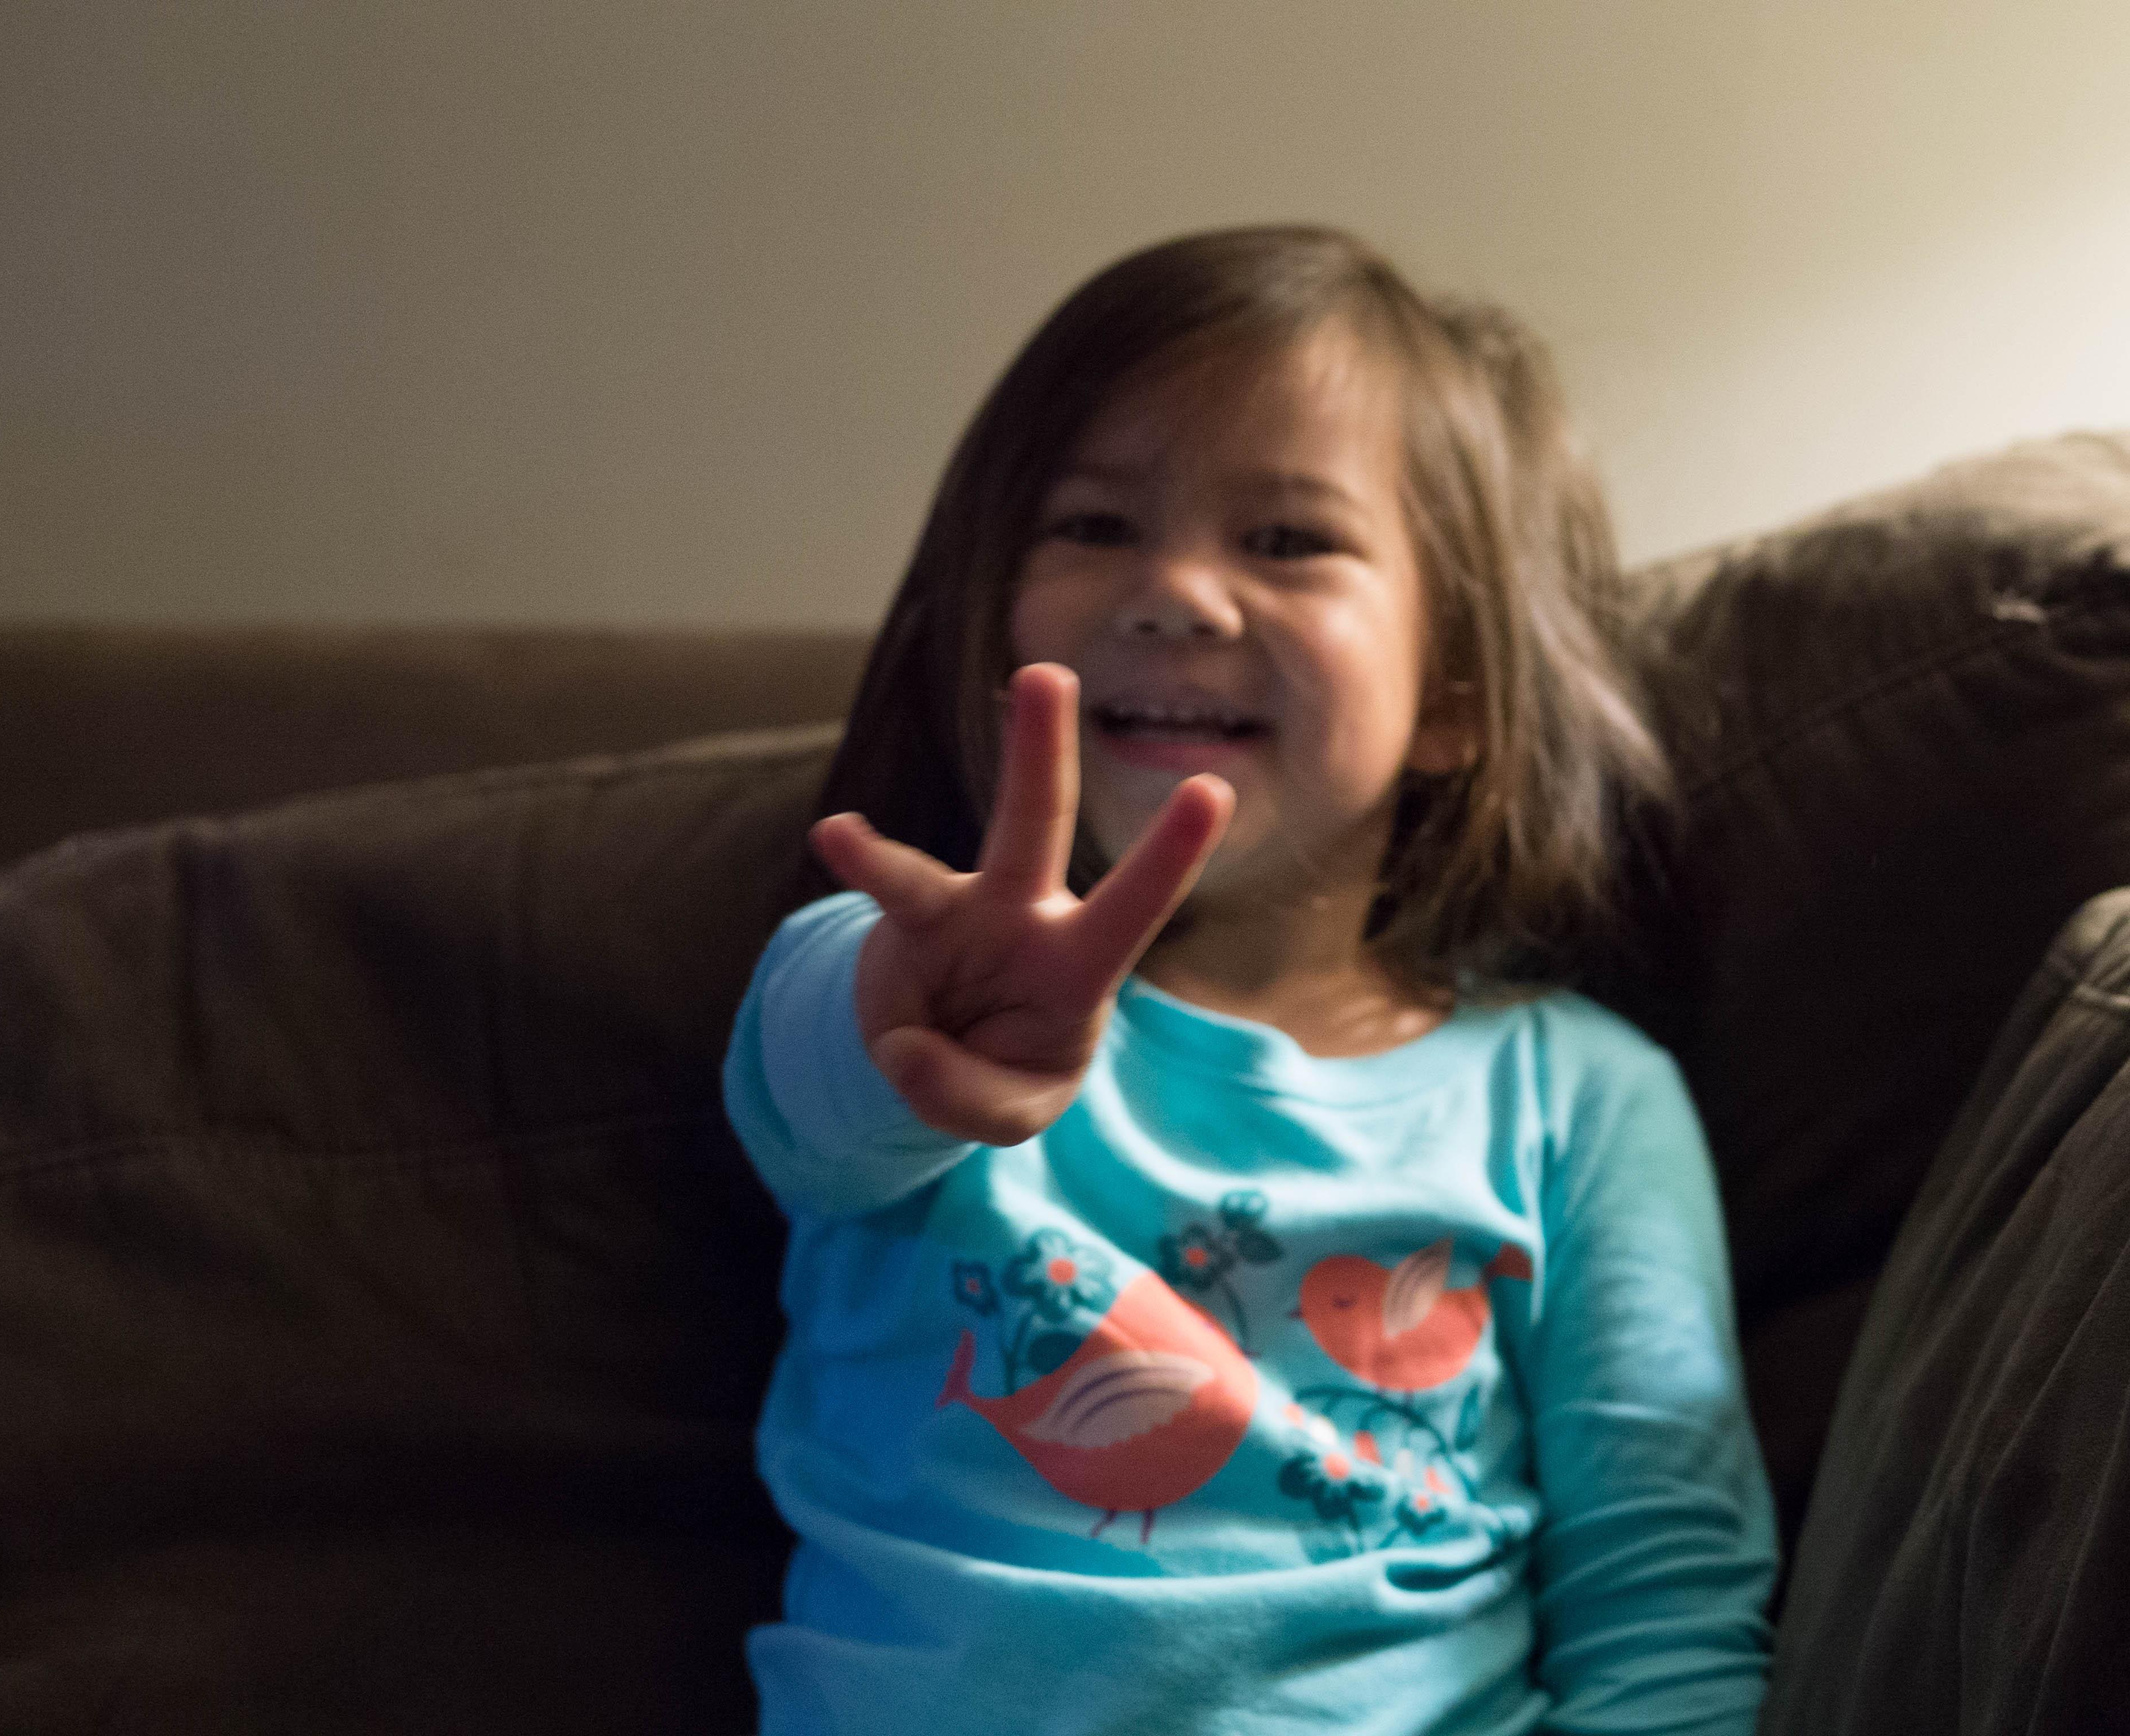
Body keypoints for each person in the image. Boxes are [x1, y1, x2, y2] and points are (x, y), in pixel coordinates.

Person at [723, 225, 1775, 1735]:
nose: (1175, 595)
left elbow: (1662, 1607)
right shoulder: (903, 983)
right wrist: (917, 1000)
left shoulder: (1581, 1100)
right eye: (1092, 525)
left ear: (1457, 699)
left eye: (1286, 541)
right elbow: (815, 1086)